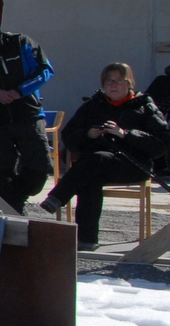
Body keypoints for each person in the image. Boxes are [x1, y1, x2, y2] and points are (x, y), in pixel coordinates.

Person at [39, 63, 170, 249]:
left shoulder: (144, 106)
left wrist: (125, 133)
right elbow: (68, 138)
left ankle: (57, 197)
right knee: (91, 177)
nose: (113, 86)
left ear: (129, 83)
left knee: (95, 161)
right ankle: (87, 241)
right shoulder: (93, 105)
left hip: (133, 166)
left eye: (118, 81)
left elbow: (162, 145)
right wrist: (88, 134)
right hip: (95, 164)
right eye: (109, 82)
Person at [0, 7, 54, 212]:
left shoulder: (19, 41)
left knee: (40, 167)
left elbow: (45, 70)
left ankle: (14, 202)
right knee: (1, 171)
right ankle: (14, 215)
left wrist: (19, 91)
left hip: (27, 113)